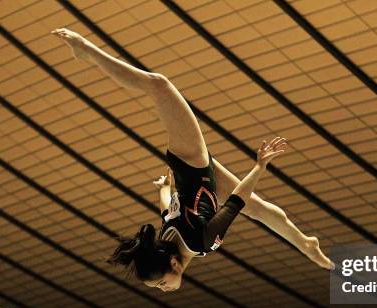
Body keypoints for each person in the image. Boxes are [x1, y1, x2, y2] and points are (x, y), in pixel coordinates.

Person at [51, 28, 333, 292]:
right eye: (162, 285)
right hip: (196, 169)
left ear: (172, 263)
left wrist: (164, 189)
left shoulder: (184, 242)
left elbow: (187, 209)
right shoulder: (190, 241)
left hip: (192, 164)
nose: (165, 289)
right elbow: (234, 201)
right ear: (173, 263)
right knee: (258, 209)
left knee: (158, 85)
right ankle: (305, 243)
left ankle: (86, 50)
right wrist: (258, 167)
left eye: (161, 284)